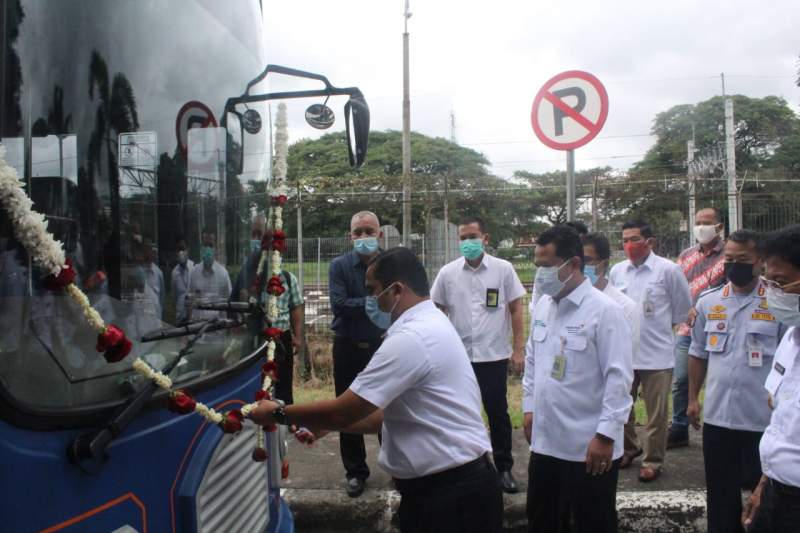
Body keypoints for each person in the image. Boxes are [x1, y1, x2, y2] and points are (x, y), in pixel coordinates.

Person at [252, 247, 503, 533]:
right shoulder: (428, 322)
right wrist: (329, 426)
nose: (370, 299)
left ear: (397, 290)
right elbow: (382, 416)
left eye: (373, 290)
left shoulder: (412, 338)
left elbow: (345, 411)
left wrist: (279, 412)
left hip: (452, 498)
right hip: (447, 489)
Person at [523, 225, 633, 533]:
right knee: (542, 520)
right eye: (537, 266)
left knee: (593, 523)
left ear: (573, 264)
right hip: (546, 444)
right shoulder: (544, 305)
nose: (540, 274)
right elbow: (533, 359)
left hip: (589, 448)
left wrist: (606, 436)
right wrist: (529, 408)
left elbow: (619, 378)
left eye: (546, 266)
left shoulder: (605, 311)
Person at [687, 229, 785, 533]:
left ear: (759, 262)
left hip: (762, 420)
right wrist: (692, 398)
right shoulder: (708, 302)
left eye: (742, 259)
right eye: (728, 259)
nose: (734, 265)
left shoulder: (779, 303)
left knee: (767, 497)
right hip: (719, 418)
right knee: (720, 494)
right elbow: (698, 352)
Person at [431, 215, 526, 493]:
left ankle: (504, 468)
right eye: (462, 238)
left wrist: (518, 349)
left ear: (485, 238)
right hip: (458, 358)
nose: (468, 242)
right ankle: (462, 468)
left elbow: (516, 308)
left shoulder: (503, 269)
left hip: (493, 356)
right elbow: (435, 310)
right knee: (458, 413)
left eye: (473, 236)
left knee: (498, 413)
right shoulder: (448, 273)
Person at [609, 220, 692, 482]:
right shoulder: (617, 271)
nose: (629, 245)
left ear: (650, 242)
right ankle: (629, 448)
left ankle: (653, 460)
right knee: (622, 409)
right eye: (624, 240)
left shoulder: (668, 270)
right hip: (624, 354)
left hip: (657, 355)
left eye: (634, 239)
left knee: (656, 414)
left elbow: (681, 311)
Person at [742, 225, 800, 532]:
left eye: (781, 282)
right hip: (776, 491)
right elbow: (782, 424)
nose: (771, 292)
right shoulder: (790, 340)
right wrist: (764, 483)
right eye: (768, 281)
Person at [328, 210, 386, 497]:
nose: (364, 237)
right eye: (358, 232)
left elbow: (398, 301)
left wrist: (362, 305)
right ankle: (355, 471)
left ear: (380, 234)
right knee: (347, 408)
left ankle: (396, 464)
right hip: (347, 346)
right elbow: (338, 305)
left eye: (369, 231)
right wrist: (374, 302)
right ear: (350, 236)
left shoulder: (390, 264)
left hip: (383, 346)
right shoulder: (339, 266)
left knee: (388, 405)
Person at [670, 207, 726, 449]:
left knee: (721, 380)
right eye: (698, 222)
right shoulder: (686, 255)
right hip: (686, 328)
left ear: (720, 227)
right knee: (681, 380)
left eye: (707, 222)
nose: (701, 227)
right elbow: (677, 288)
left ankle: (722, 427)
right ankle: (679, 426)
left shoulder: (728, 255)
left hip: (719, 329)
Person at [583, 232, 640, 357]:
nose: (580, 266)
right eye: (577, 260)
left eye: (586, 260)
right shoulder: (569, 303)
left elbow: (625, 360)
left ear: (604, 264)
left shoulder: (625, 308)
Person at [188, 228, 232, 323]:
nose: (208, 249)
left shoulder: (223, 274)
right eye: (205, 245)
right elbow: (190, 302)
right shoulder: (194, 273)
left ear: (215, 248)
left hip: (217, 330)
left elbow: (229, 302)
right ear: (201, 247)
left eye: (210, 245)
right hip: (197, 330)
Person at [171, 237, 195, 322]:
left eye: (183, 249)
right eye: (179, 249)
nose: (181, 252)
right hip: (180, 316)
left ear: (188, 250)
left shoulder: (194, 268)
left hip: (193, 316)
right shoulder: (174, 272)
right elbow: (174, 296)